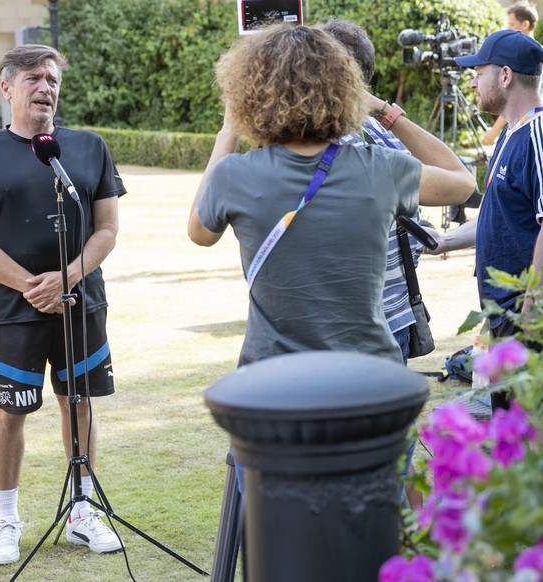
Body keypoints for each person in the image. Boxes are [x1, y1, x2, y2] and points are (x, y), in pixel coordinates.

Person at [188, 23, 474, 369]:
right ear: (348, 89)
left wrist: (227, 133)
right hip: (368, 375)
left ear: (252, 93)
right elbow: (462, 182)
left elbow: (199, 233)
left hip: (274, 376)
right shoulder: (382, 167)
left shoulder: (233, 175)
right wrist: (385, 111)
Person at [0, 44, 126, 565]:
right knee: (9, 412)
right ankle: (6, 518)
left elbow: (107, 228)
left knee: (78, 400)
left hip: (82, 300)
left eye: (52, 79)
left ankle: (82, 509)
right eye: (33, 78)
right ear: (7, 88)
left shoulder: (88, 146)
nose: (45, 88)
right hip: (12, 306)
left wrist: (69, 277)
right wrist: (35, 285)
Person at [321, 18, 425, 507]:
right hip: (394, 323)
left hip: (339, 333)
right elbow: (419, 239)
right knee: (386, 467)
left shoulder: (314, 143)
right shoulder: (390, 143)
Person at [425, 30, 543, 409]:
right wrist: (444, 241)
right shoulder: (510, 134)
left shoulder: (538, 134)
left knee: (526, 438)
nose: (471, 80)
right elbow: (501, 219)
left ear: (505, 76)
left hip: (525, 320)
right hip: (502, 318)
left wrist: (530, 313)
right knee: (506, 424)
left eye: (479, 70)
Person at [483, 1, 539, 146]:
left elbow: (516, 98)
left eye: (512, 24)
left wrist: (494, 130)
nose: (508, 28)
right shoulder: (520, 55)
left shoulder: (533, 60)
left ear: (525, 25)